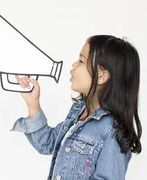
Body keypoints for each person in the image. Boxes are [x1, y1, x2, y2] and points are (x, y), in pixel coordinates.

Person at [14, 35, 142, 179]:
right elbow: (48, 144)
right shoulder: (78, 113)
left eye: (81, 61)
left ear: (101, 77)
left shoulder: (112, 131)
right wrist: (33, 104)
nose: (74, 65)